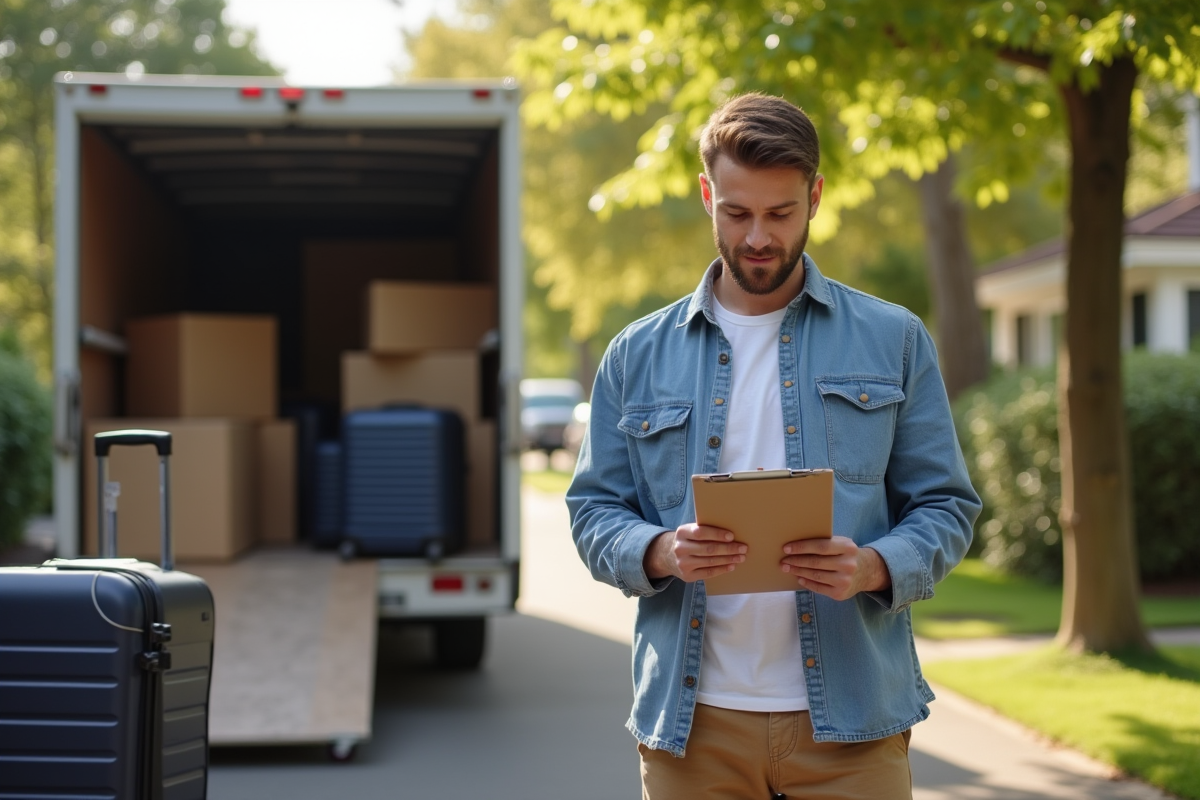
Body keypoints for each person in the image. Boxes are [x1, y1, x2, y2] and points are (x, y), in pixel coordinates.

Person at [565, 92, 981, 800]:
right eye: (737, 213)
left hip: (854, 727)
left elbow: (946, 506)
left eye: (781, 214)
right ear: (707, 195)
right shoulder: (635, 354)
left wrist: (875, 566)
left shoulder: (895, 338)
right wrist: (662, 551)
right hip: (693, 731)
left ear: (815, 195)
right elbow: (593, 510)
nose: (758, 236)